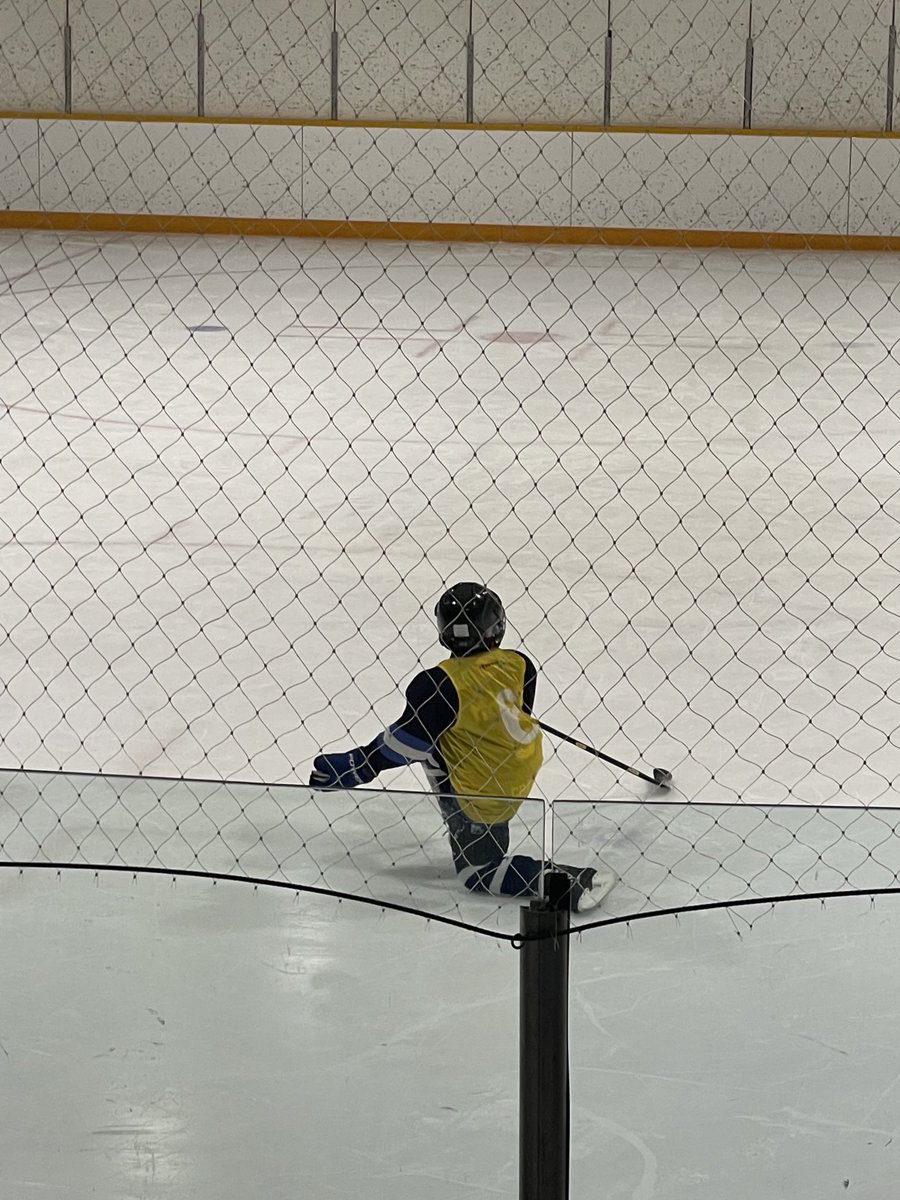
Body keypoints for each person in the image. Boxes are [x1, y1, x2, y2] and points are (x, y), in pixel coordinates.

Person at [308, 582, 612, 912]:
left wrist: (361, 763)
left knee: (477, 873)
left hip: (482, 793)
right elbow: (513, 713)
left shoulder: (437, 683)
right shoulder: (521, 663)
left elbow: (410, 741)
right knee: (438, 728)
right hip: (518, 769)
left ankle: (564, 880)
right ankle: (488, 827)